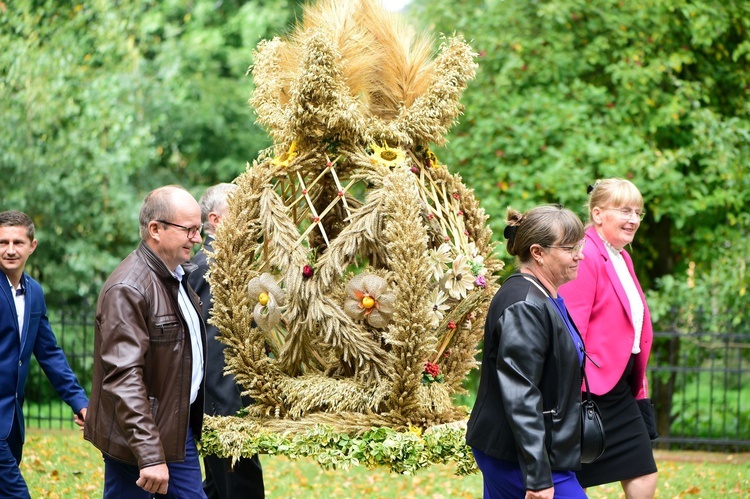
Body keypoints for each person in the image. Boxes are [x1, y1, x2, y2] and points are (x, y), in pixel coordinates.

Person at [84, 185, 208, 498]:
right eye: (190, 229)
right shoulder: (128, 289)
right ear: (155, 229)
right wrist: (150, 455)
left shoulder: (177, 276)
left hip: (175, 430)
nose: (198, 238)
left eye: (199, 229)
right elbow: (124, 378)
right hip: (134, 440)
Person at [466, 205, 587, 499]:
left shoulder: (544, 295)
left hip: (534, 449)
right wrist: (538, 476)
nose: (580, 255)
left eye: (580, 246)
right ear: (538, 252)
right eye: (570, 247)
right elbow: (521, 393)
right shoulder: (524, 304)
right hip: (519, 455)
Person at [558, 178, 657, 497]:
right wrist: (576, 390)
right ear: (598, 214)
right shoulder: (585, 255)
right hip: (591, 388)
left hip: (620, 384)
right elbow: (572, 327)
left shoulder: (622, 257)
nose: (634, 219)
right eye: (625, 210)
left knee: (642, 468)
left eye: (638, 212)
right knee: (567, 474)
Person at [0, 210, 89, 498]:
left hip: (12, 420)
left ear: (32, 246)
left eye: (17, 242)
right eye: (2, 242)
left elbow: (49, 354)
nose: (10, 250)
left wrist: (80, 403)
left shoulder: (34, 292)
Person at [188, 183, 265, 499]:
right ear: (216, 220)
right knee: (239, 488)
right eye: (240, 210)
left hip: (230, 404)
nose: (249, 216)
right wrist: (230, 418)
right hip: (225, 408)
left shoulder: (225, 262)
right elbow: (215, 345)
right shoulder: (213, 266)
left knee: (221, 488)